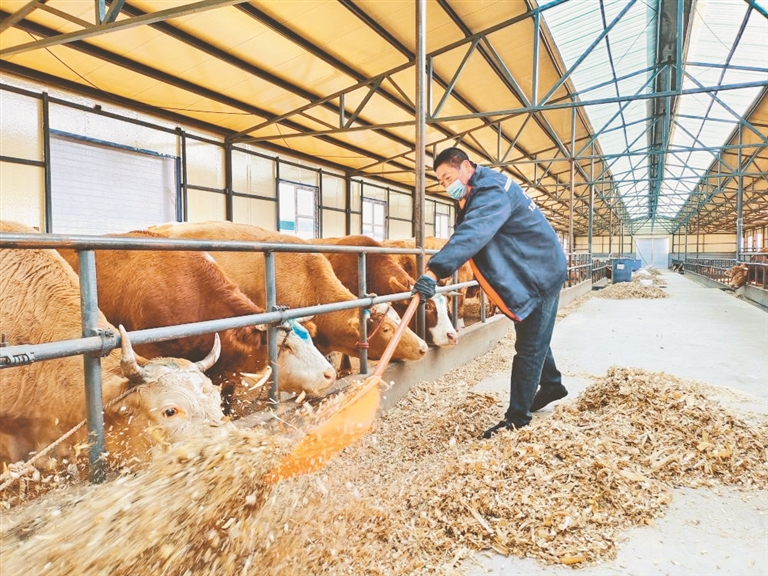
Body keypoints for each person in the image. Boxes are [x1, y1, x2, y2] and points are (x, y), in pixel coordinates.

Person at [411, 147, 568, 438]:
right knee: (534, 335)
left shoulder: (491, 192)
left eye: (448, 177)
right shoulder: (479, 189)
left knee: (529, 346)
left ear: (467, 167)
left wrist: (435, 270)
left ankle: (517, 418)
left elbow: (473, 232)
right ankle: (552, 384)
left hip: (540, 273)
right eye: (442, 182)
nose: (446, 185)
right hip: (531, 268)